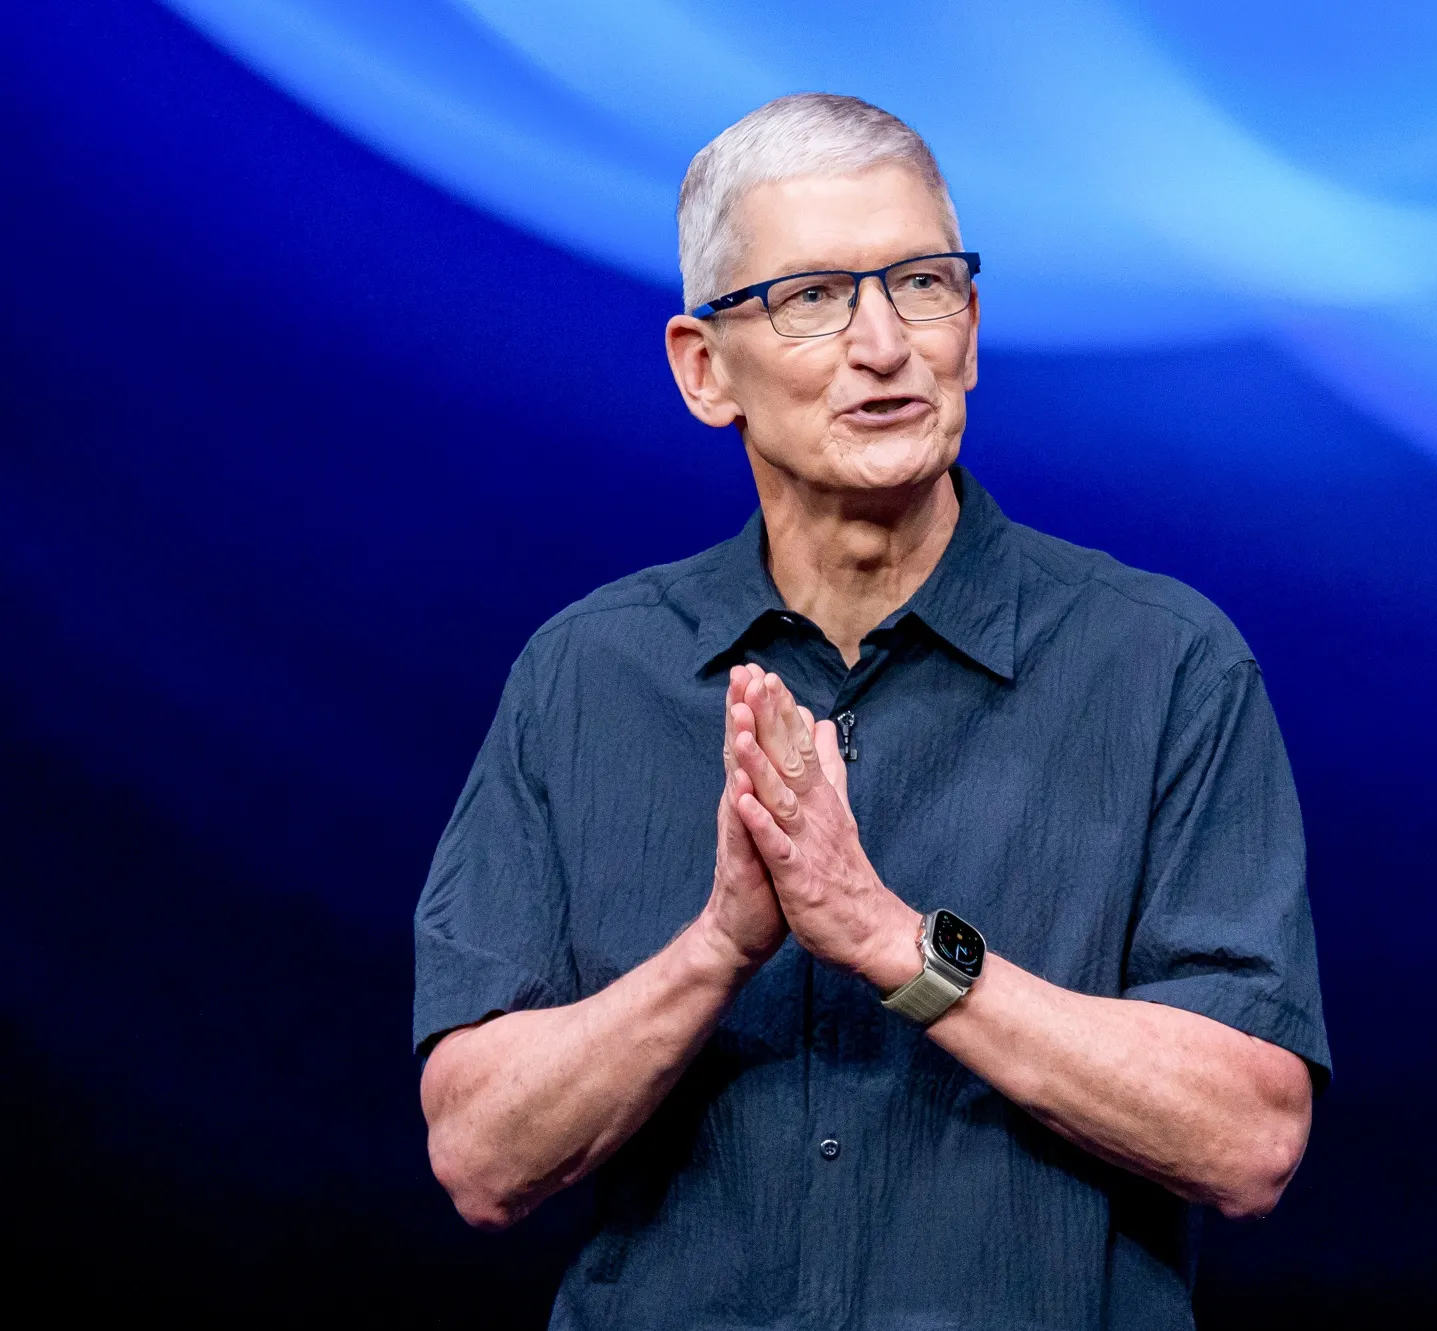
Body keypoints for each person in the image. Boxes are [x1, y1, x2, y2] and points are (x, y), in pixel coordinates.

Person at [413, 92, 1328, 1331]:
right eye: (813, 297)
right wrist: (717, 950)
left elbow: (1248, 1136)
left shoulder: (1163, 664)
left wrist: (892, 942)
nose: (883, 343)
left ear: (971, 323)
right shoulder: (587, 674)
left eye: (921, 283)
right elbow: (478, 1154)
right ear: (702, 368)